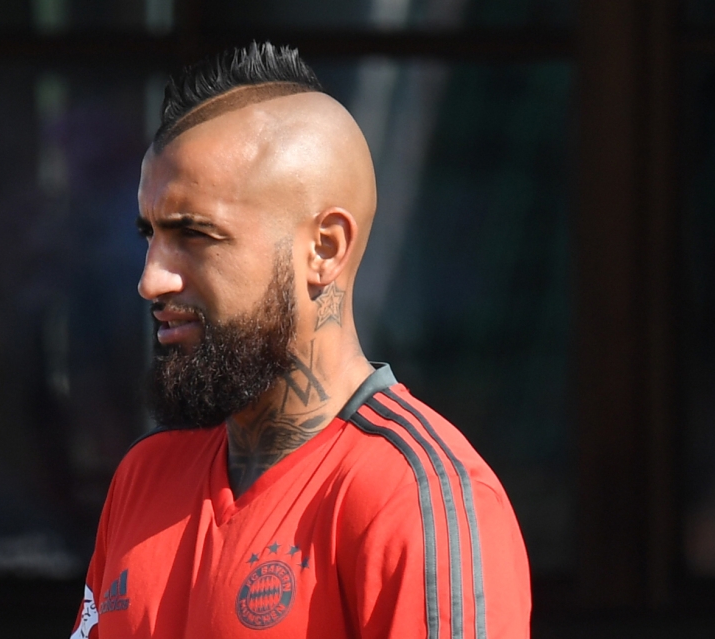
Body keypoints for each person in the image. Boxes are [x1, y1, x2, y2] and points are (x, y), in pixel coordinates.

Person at [71, 42, 530, 639]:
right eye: (150, 235)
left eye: (195, 235)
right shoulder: (143, 477)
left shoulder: (416, 497)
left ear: (325, 248)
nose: (151, 279)